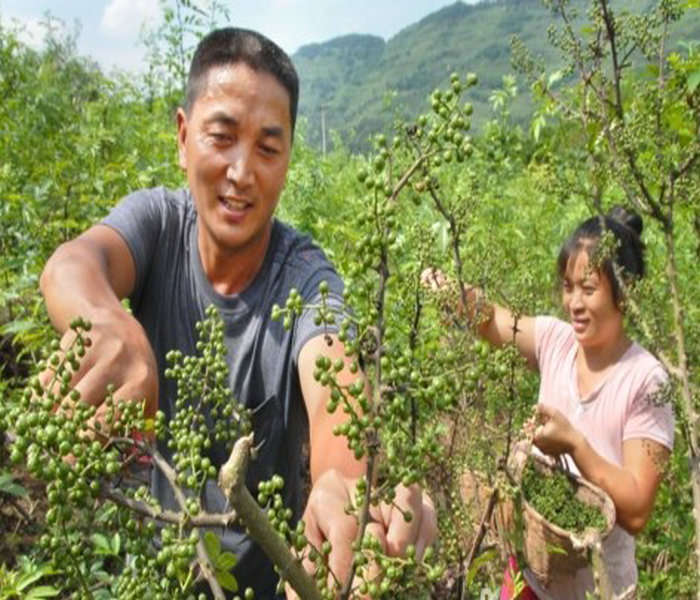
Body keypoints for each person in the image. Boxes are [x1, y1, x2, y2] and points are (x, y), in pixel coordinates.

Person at [40, 27, 436, 598]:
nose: (242, 172)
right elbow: (74, 264)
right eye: (221, 136)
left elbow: (337, 378)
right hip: (153, 572)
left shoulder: (305, 279)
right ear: (183, 137)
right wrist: (104, 319)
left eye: (268, 148)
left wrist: (341, 484)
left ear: (289, 158)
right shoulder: (157, 225)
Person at [423, 207, 674, 600]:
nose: (574, 302)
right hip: (530, 579)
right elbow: (492, 321)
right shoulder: (556, 341)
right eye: (567, 286)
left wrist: (575, 444)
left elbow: (638, 508)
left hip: (600, 589)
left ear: (624, 294)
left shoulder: (645, 380)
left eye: (588, 289)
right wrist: (451, 294)